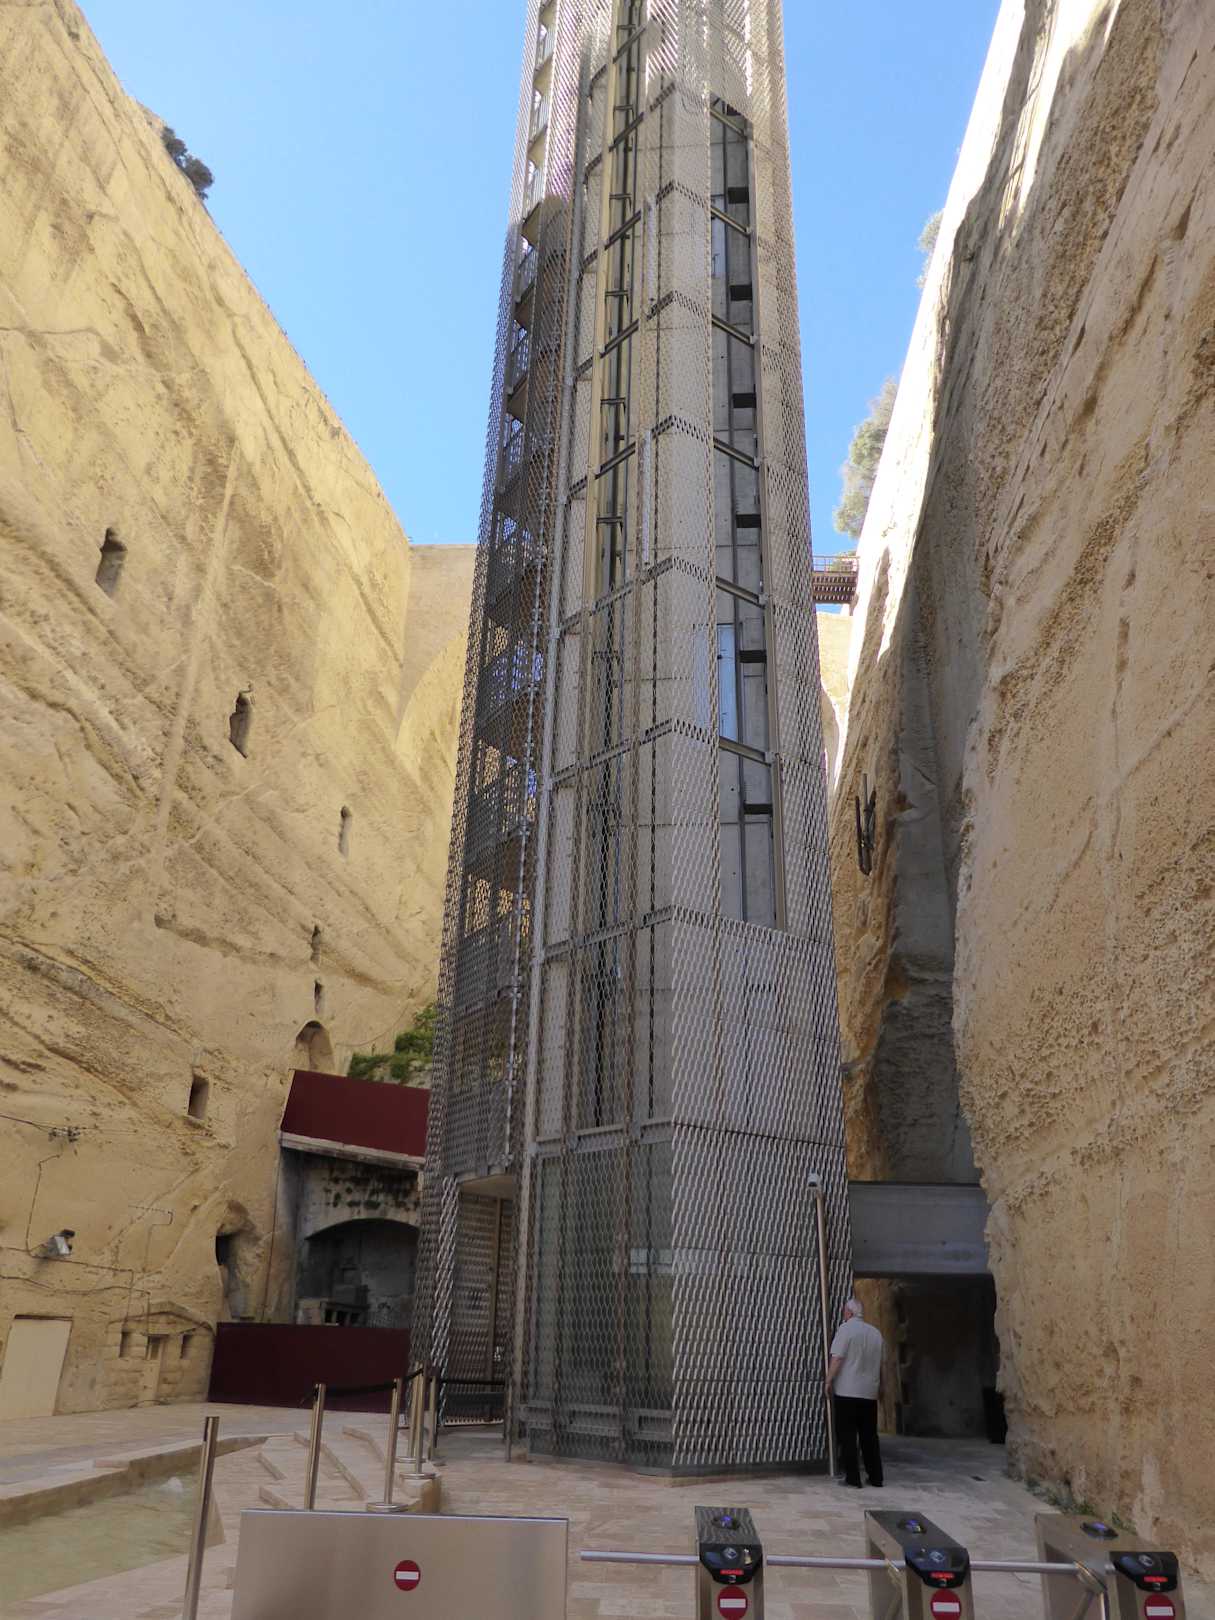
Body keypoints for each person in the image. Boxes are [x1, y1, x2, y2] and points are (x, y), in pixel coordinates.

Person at [826, 1297, 884, 1488]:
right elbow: (881, 1363)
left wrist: (828, 1380)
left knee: (847, 1435)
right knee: (869, 1436)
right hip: (869, 1393)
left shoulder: (845, 1330)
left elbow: (837, 1358)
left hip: (847, 1391)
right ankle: (876, 1477)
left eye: (845, 1311)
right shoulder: (876, 1333)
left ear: (849, 1312)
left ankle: (853, 1478)